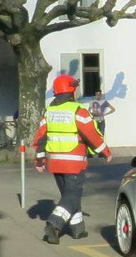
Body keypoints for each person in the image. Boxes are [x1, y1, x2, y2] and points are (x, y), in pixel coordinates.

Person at [33, 73, 111, 244]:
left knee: (68, 195)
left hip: (55, 162)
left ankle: (78, 229)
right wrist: (105, 151)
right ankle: (54, 224)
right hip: (74, 162)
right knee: (72, 196)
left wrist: (40, 159)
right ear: (71, 91)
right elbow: (91, 134)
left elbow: (40, 137)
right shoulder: (78, 110)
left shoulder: (49, 112)